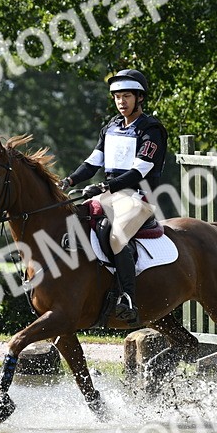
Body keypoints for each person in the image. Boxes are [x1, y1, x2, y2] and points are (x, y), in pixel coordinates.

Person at [58, 69, 168, 325]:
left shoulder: (151, 130)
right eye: (117, 97)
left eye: (126, 96)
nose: (121, 102)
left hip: (139, 198)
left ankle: (128, 296)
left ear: (139, 98)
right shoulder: (111, 126)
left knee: (117, 236)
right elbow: (92, 162)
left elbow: (140, 170)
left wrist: (106, 186)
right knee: (75, 219)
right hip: (111, 195)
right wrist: (70, 180)